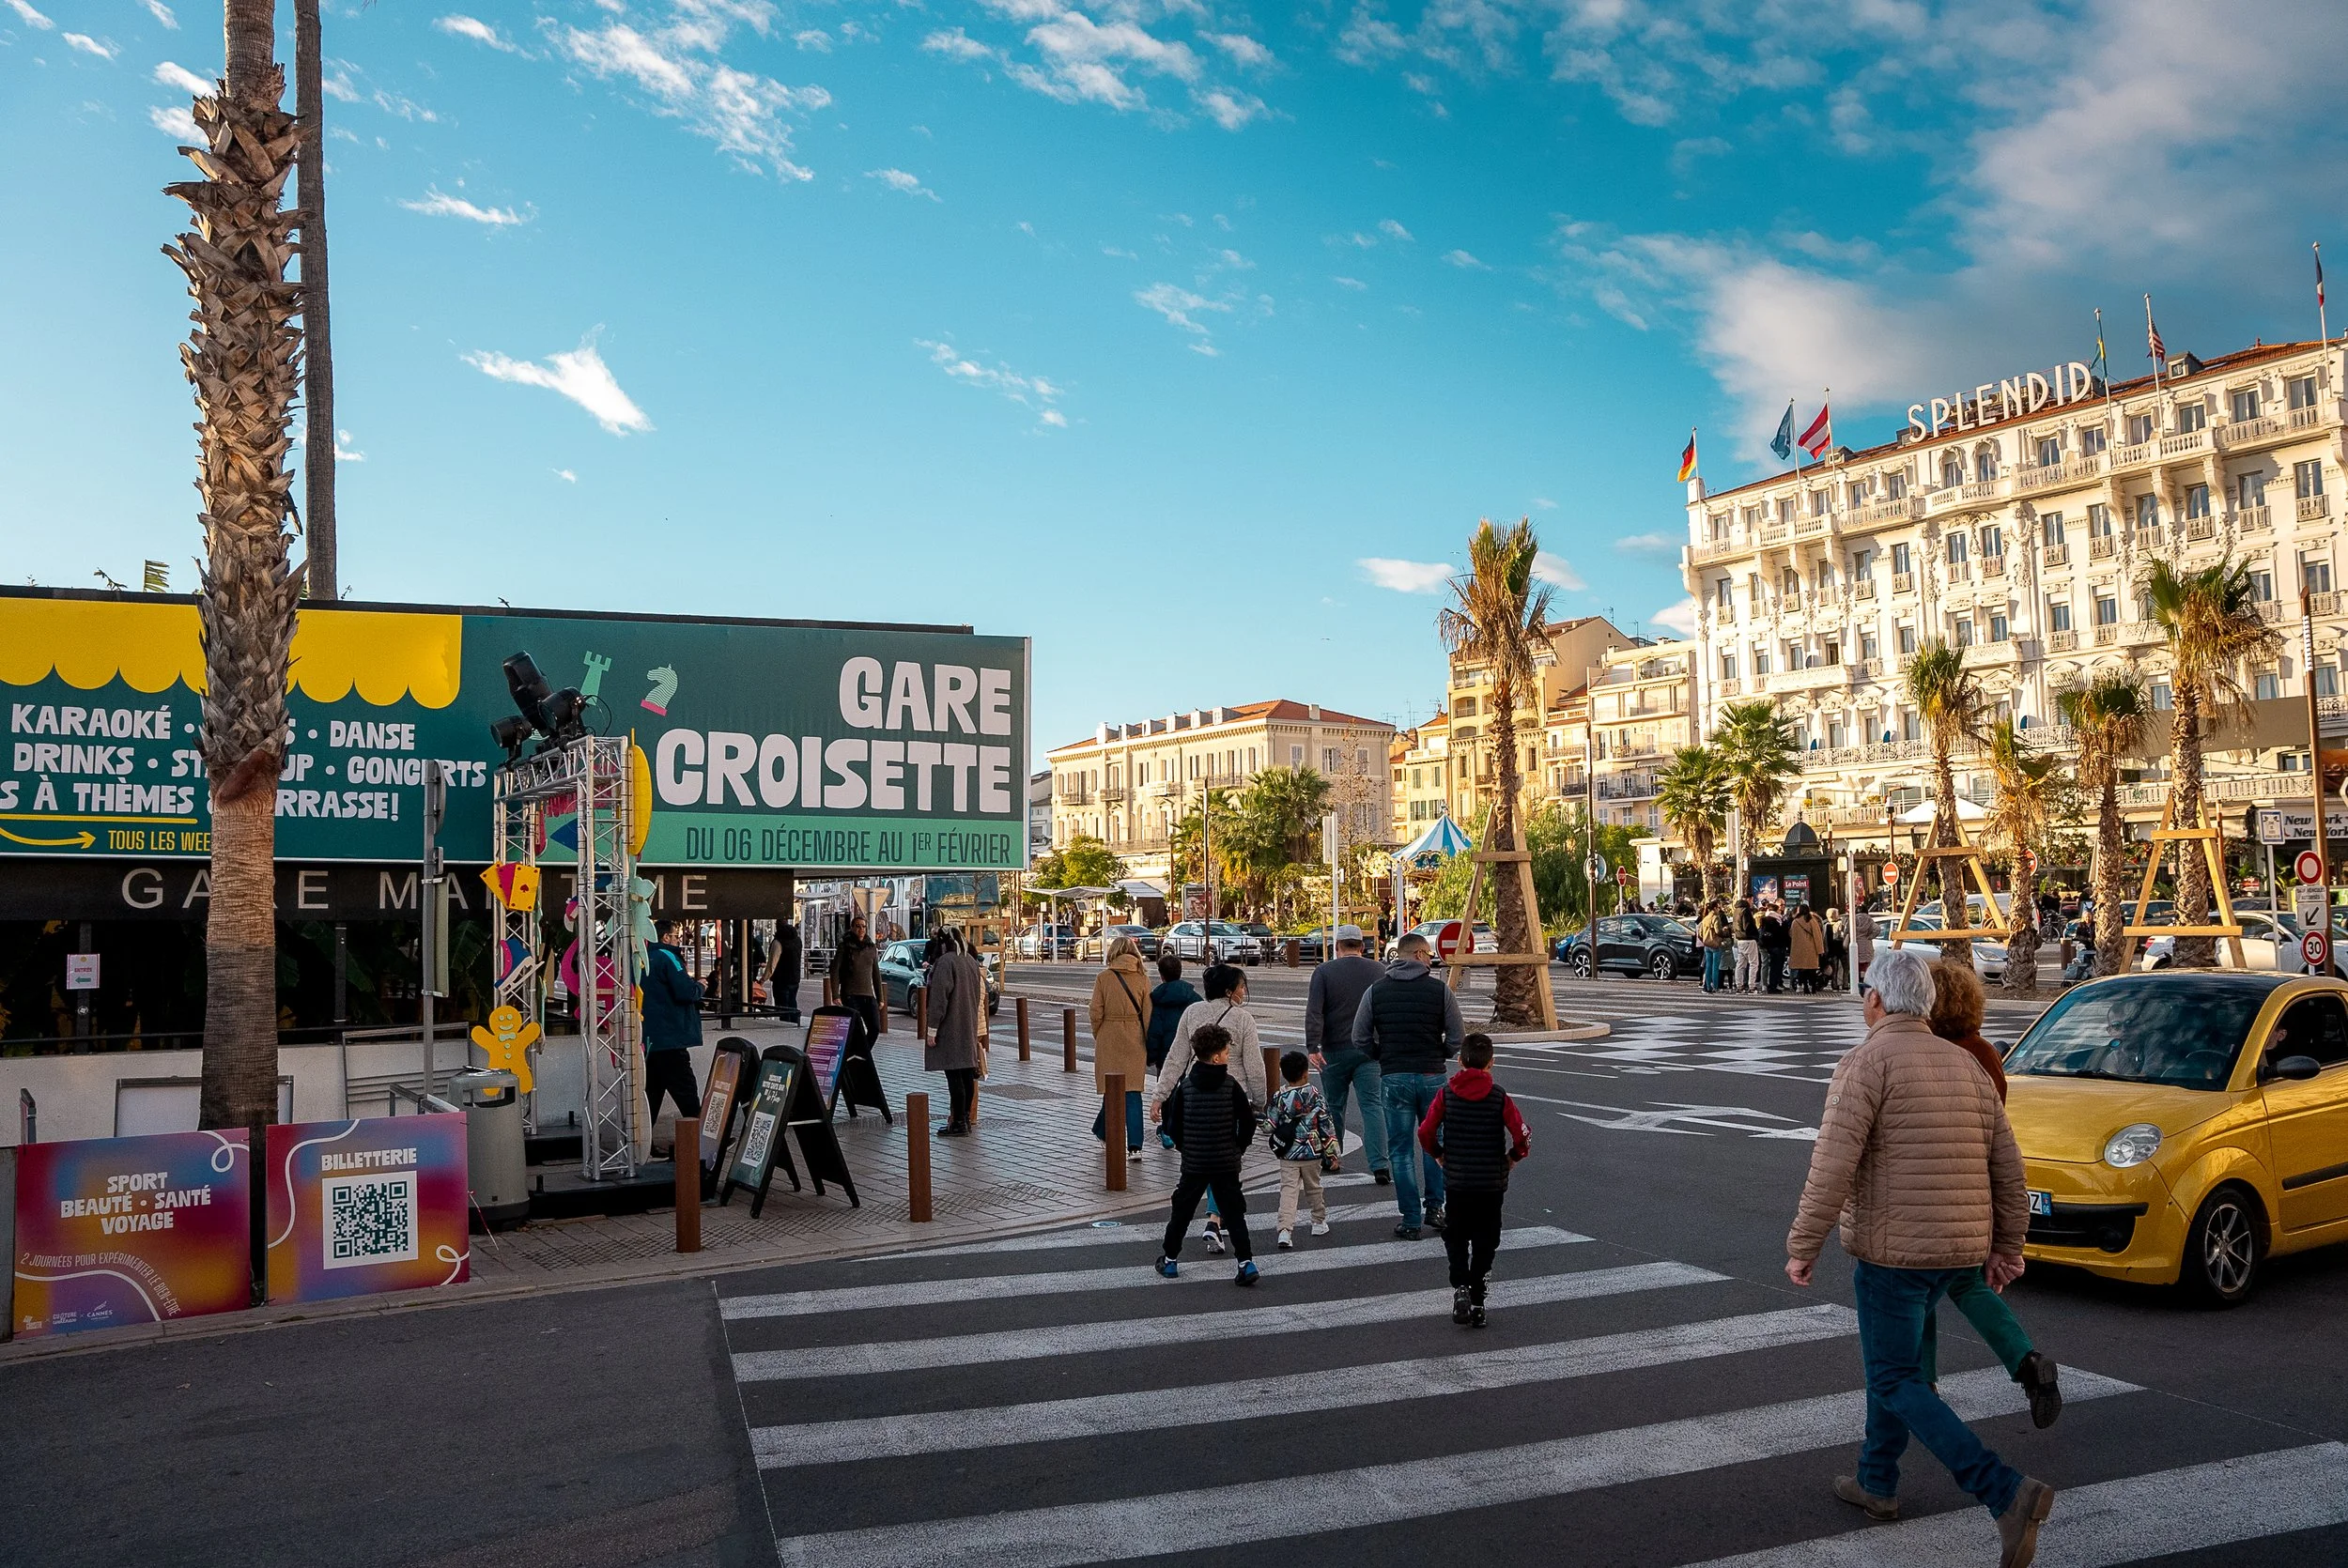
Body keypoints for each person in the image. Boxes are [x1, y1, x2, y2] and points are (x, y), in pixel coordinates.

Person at [1784, 946, 2054, 1565]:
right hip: (1956, 1251)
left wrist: (1804, 1246)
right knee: (1896, 1369)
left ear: (1876, 1001)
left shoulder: (1866, 1062)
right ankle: (1876, 1482)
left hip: (1893, 1255)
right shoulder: (1966, 1067)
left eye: (1863, 996)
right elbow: (2009, 1170)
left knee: (1894, 1377)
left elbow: (1832, 1166)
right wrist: (2007, 1247)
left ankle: (2004, 1492)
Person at [1928, 958, 2062, 1428]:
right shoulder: (1984, 1052)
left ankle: (1920, 1387)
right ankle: (2026, 1361)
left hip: (1932, 1191)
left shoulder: (1931, 1053)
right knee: (1963, 1282)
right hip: (1977, 1188)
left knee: (1914, 1286)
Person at [1352, 930, 1465, 1240]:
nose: (1430, 960)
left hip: (1394, 1076)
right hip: (1432, 1077)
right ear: (1417, 955)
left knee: (1400, 1150)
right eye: (1429, 955)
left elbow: (1359, 1036)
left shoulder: (1376, 991)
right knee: (1434, 1144)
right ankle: (1436, 1208)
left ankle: (1411, 1220)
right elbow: (1457, 1036)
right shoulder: (1440, 991)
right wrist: (1441, 1053)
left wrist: (1381, 1055)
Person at [1416, 1032, 1530, 1327]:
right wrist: (1513, 1158)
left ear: (1459, 1061)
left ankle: (1461, 1286)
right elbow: (1521, 1133)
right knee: (1486, 1240)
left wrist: (1439, 1155)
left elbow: (1426, 1131)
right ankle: (1479, 1299)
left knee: (1455, 1235)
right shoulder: (1499, 1097)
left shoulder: (1446, 1094)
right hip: (1492, 1183)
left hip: (1457, 1181)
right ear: (1491, 1063)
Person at [1152, 963, 1264, 1253]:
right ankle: (1214, 1220)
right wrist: (1261, 1100)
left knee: (1201, 1164)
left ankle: (1191, 1237)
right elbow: (1255, 1066)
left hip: (1195, 1095)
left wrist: (1159, 1095)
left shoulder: (1192, 1013)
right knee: (1225, 1161)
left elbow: (1175, 1058)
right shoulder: (1242, 1018)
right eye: (1240, 986)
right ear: (1229, 991)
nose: (1243, 991)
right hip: (1231, 1097)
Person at [1154, 1024, 1259, 1285]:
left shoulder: (1186, 1088)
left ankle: (1170, 1260)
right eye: (1226, 1052)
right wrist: (1238, 1148)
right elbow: (1247, 1122)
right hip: (1226, 1162)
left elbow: (1173, 1126)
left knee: (1182, 1210)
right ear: (1216, 1058)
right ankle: (1245, 1263)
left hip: (1195, 1162)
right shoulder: (1231, 1086)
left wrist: (1185, 1148)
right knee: (1234, 1213)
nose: (1227, 1056)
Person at [1305, 924, 1390, 1185]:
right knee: (1373, 1106)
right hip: (1369, 1051)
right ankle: (1380, 1165)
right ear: (1362, 946)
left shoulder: (1324, 972)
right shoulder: (1380, 971)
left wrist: (1312, 1046)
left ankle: (1332, 1157)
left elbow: (1315, 1011)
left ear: (1337, 947)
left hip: (1334, 1050)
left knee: (1334, 1106)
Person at [1265, 1050, 1340, 1250]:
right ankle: (1318, 1221)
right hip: (1311, 1152)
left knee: (1288, 1190)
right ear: (1306, 1073)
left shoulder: (1279, 1097)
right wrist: (1332, 1154)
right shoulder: (1315, 1095)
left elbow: (1270, 1125)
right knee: (1314, 1187)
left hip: (1288, 1153)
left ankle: (1284, 1230)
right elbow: (1326, 1126)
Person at [1089, 935, 1153, 1157]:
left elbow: (1095, 1012)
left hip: (1109, 1033)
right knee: (1133, 1091)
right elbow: (1148, 1014)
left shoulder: (1103, 978)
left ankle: (1102, 1131)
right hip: (1135, 1036)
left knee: (1112, 1088)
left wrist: (1100, 1033)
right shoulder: (1142, 978)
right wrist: (1146, 1039)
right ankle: (1135, 1145)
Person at [642, 920, 705, 1129]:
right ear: (666, 937)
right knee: (686, 1090)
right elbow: (685, 992)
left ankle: (643, 1144)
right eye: (676, 936)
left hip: (650, 1038)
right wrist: (700, 986)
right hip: (671, 1037)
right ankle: (700, 1141)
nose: (678, 939)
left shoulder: (643, 958)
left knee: (651, 1092)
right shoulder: (669, 957)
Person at [925, 930, 985, 1137]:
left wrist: (932, 1029)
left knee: (954, 1076)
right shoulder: (970, 961)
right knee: (967, 1074)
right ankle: (965, 1120)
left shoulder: (945, 963)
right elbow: (978, 995)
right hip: (968, 1025)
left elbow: (939, 999)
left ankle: (958, 1122)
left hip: (950, 1027)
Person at [830, 915, 881, 1045]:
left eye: (864, 926)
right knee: (856, 1029)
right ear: (852, 928)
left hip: (868, 995)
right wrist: (835, 994)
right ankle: (856, 1057)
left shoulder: (871, 948)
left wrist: (880, 997)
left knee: (875, 1028)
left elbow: (876, 974)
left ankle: (863, 1055)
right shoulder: (845, 946)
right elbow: (835, 970)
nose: (861, 929)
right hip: (850, 995)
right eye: (858, 926)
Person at [762, 917, 804, 1022]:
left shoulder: (778, 942)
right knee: (792, 1003)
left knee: (782, 1007)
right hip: (795, 978)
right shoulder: (797, 940)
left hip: (781, 980)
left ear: (777, 926)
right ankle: (795, 1025)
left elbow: (772, 964)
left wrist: (763, 979)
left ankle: (786, 1027)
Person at [1789, 901, 1827, 993]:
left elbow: (1791, 934)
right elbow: (1817, 936)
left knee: (1802, 970)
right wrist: (1820, 950)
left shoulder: (1795, 922)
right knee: (1812, 970)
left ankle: (1805, 987)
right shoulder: (1812, 921)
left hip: (1799, 949)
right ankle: (1813, 987)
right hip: (1811, 949)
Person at [1758, 899, 1791, 993]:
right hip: (1775, 946)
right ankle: (1772, 986)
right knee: (1775, 967)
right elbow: (1781, 933)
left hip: (1773, 946)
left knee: (1774, 966)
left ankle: (1772, 985)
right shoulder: (1774, 920)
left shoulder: (1771, 919)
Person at [1733, 897, 1762, 992]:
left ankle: (1739, 985)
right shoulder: (1746, 911)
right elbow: (1747, 926)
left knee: (1740, 964)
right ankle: (1752, 986)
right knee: (1754, 963)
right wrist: (1755, 935)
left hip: (1740, 939)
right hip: (1749, 938)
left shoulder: (1736, 911)